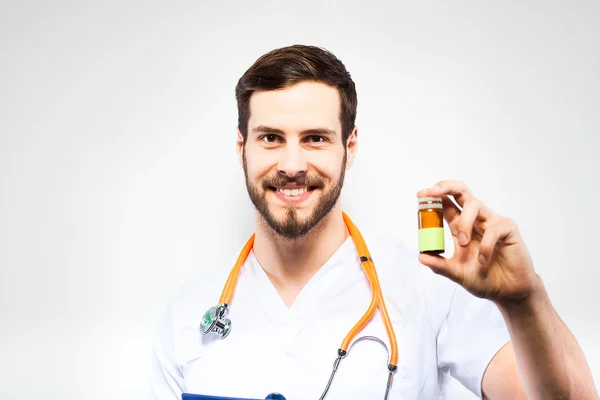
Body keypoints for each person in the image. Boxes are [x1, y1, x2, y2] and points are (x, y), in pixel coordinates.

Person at [150, 45, 598, 400]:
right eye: (270, 138)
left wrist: (524, 301)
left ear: (350, 145)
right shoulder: (188, 314)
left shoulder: (428, 289)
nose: (291, 163)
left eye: (315, 139)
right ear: (241, 146)